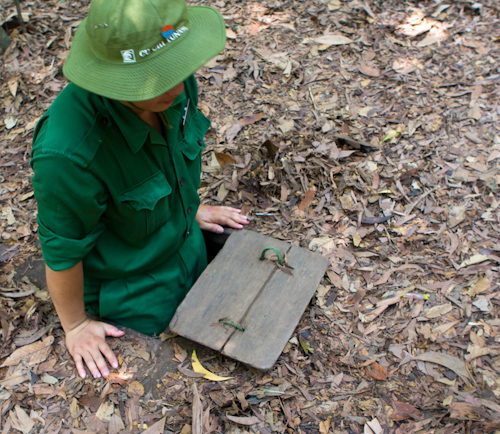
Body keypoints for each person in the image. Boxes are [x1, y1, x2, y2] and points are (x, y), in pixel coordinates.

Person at [30, 0, 248, 380]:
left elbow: (165, 163)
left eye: (179, 67)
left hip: (186, 245)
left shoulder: (172, 87)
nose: (180, 87)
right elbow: (62, 249)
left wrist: (186, 210)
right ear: (114, 79)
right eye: (160, 77)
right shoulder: (67, 152)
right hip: (135, 286)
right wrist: (76, 326)